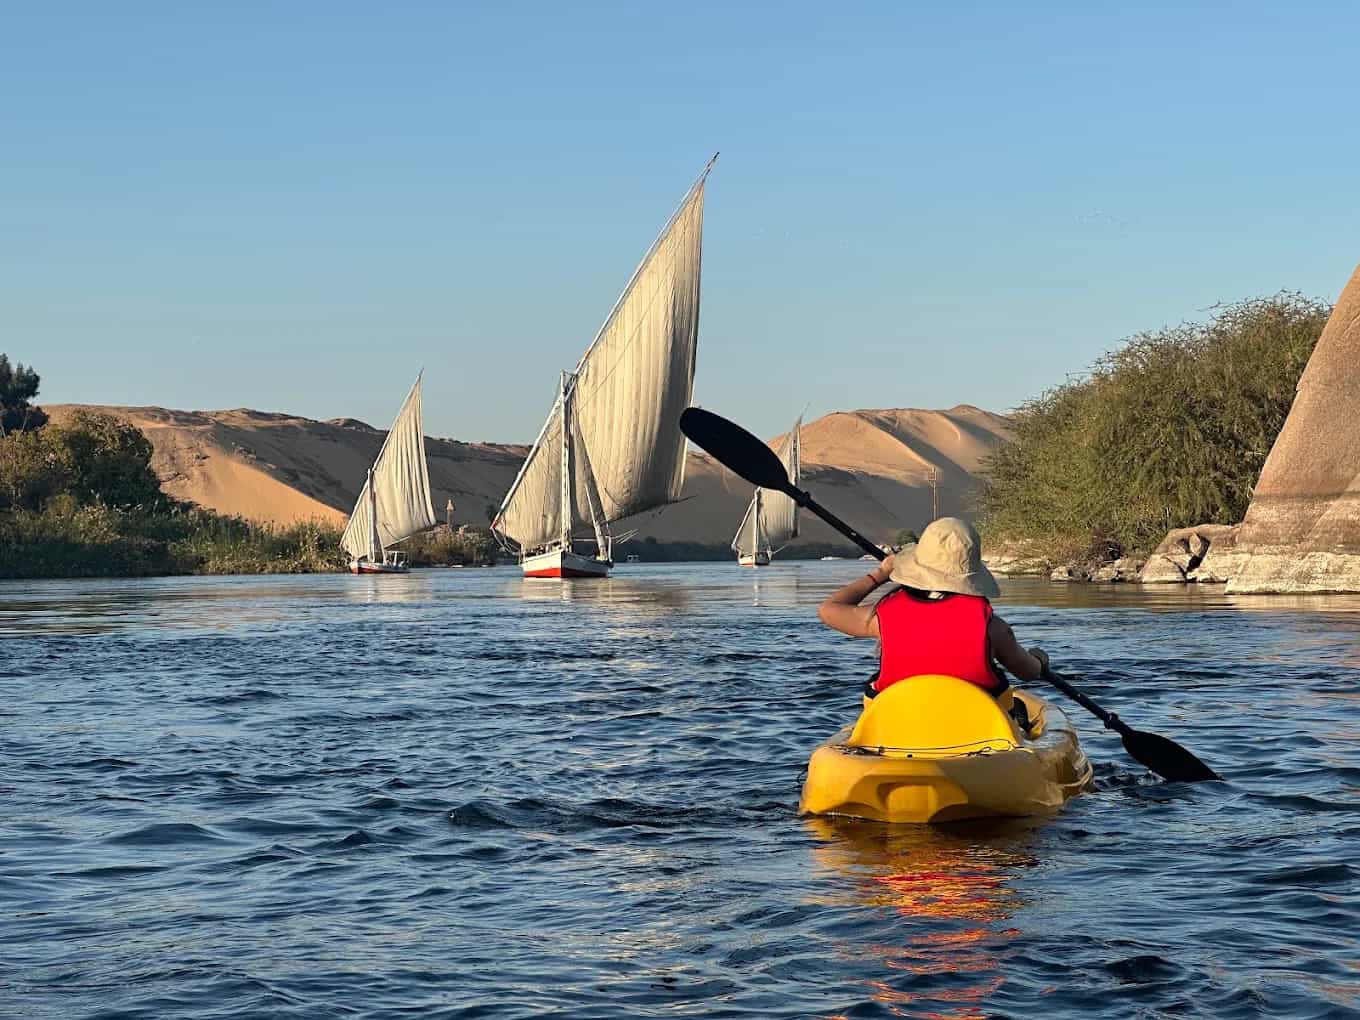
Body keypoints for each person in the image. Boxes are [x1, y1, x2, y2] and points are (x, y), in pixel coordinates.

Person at [817, 517, 1049, 705]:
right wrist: (1039, 660)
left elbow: (829, 610)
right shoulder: (993, 628)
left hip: (899, 722)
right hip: (975, 728)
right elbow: (1027, 672)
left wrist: (880, 574)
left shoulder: (881, 618)